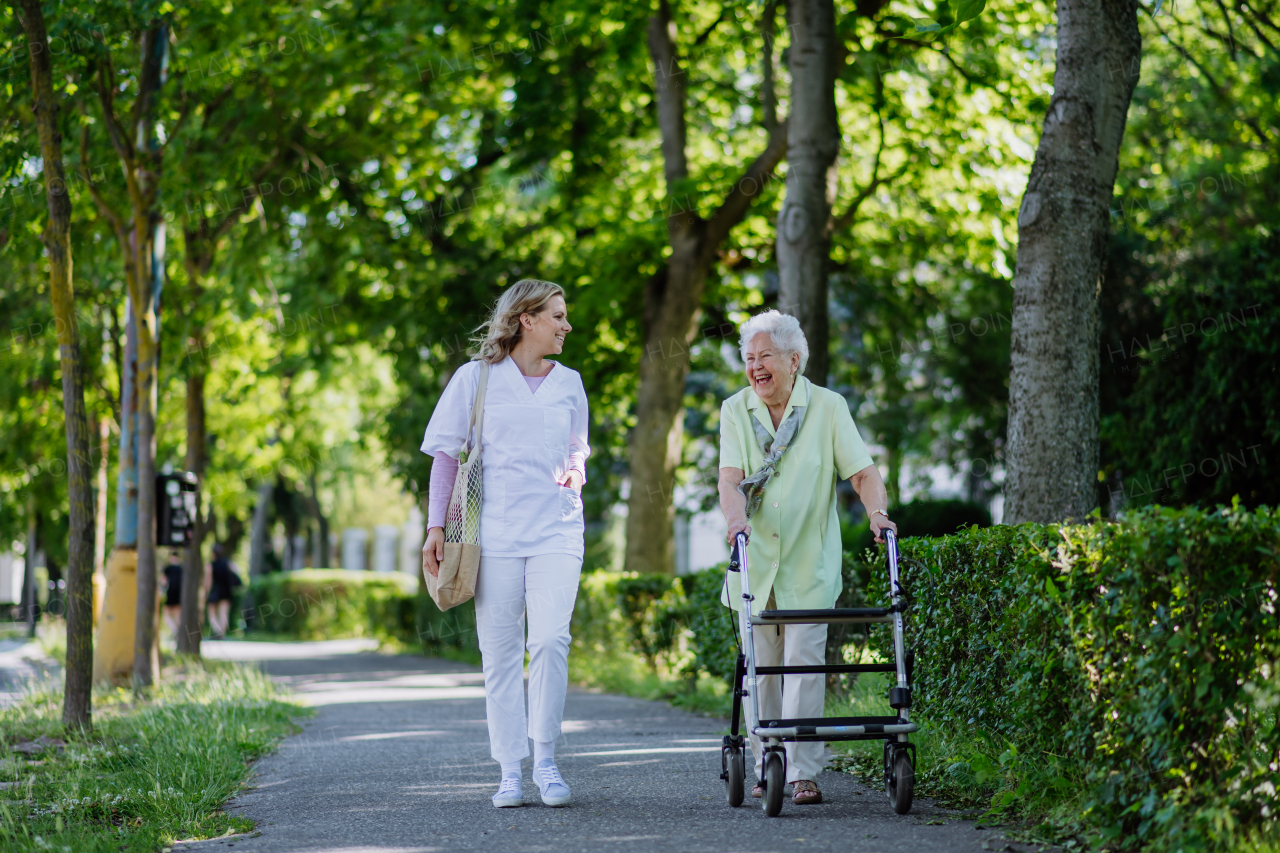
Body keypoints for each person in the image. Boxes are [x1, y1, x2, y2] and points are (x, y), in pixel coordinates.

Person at [718, 310, 898, 806]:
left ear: (793, 360)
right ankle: (765, 763)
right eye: (749, 358)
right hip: (755, 561)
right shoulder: (736, 410)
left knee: (803, 665)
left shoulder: (828, 407)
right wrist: (735, 522)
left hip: (809, 562)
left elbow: (862, 473)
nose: (755, 367)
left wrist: (877, 514)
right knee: (761, 668)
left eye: (765, 357)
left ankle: (801, 772)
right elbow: (729, 479)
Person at [421, 279, 589, 809]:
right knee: (498, 655)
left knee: (548, 642)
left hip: (557, 531)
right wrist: (435, 530)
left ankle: (546, 761)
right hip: (491, 537)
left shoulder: (571, 383)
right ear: (526, 320)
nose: (566, 326)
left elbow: (578, 448)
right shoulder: (476, 379)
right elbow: (446, 457)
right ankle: (509, 772)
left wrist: (576, 472)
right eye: (557, 316)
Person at [207, 543, 242, 639]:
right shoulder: (227, 563)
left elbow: (209, 581)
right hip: (226, 591)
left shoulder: (211, 565)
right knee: (224, 613)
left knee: (212, 613)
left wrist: (207, 592)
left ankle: (217, 631)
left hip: (215, 591)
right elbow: (237, 572)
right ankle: (222, 633)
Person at [161, 550, 184, 640]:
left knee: (166, 614)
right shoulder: (181, 568)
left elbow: (163, 581)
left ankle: (175, 631)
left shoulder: (168, 568)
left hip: (171, 593)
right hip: (179, 594)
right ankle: (178, 633)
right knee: (177, 616)